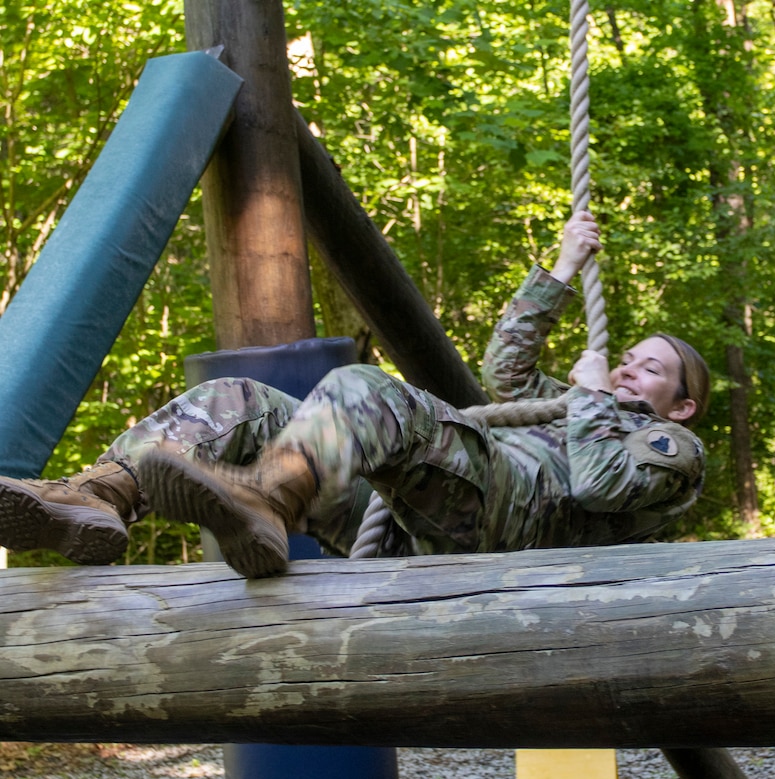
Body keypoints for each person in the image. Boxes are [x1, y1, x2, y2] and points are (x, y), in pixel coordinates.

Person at [0, 212, 710, 579]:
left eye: (648, 370)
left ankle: (266, 499)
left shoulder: (670, 447)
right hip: (418, 517)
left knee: (362, 388)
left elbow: (594, 485)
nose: (623, 371)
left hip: (503, 527)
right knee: (242, 400)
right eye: (624, 360)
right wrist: (561, 267)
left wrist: (589, 397)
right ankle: (98, 497)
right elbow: (505, 370)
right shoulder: (576, 405)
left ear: (680, 406)